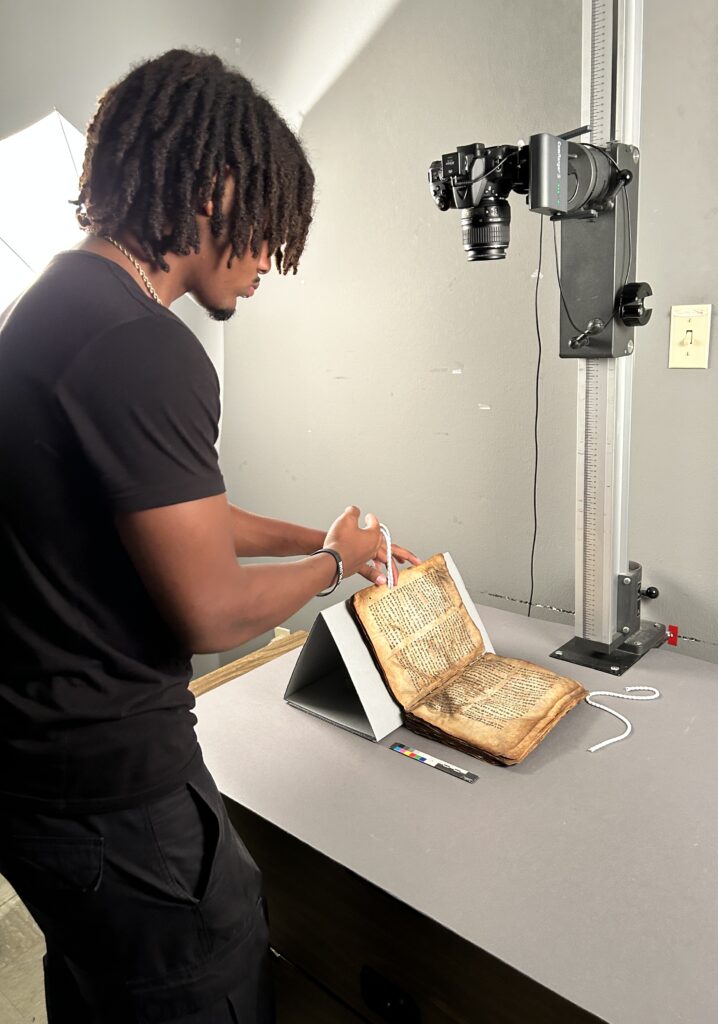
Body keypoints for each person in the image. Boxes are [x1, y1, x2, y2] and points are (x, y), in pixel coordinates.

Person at [0, 49, 419, 1023]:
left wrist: (317, 538)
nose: (271, 258)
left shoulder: (52, 311)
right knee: (208, 974)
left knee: (99, 984)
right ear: (213, 191)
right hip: (117, 792)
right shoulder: (147, 346)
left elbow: (174, 512)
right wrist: (329, 567)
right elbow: (210, 605)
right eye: (268, 226)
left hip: (39, 776)